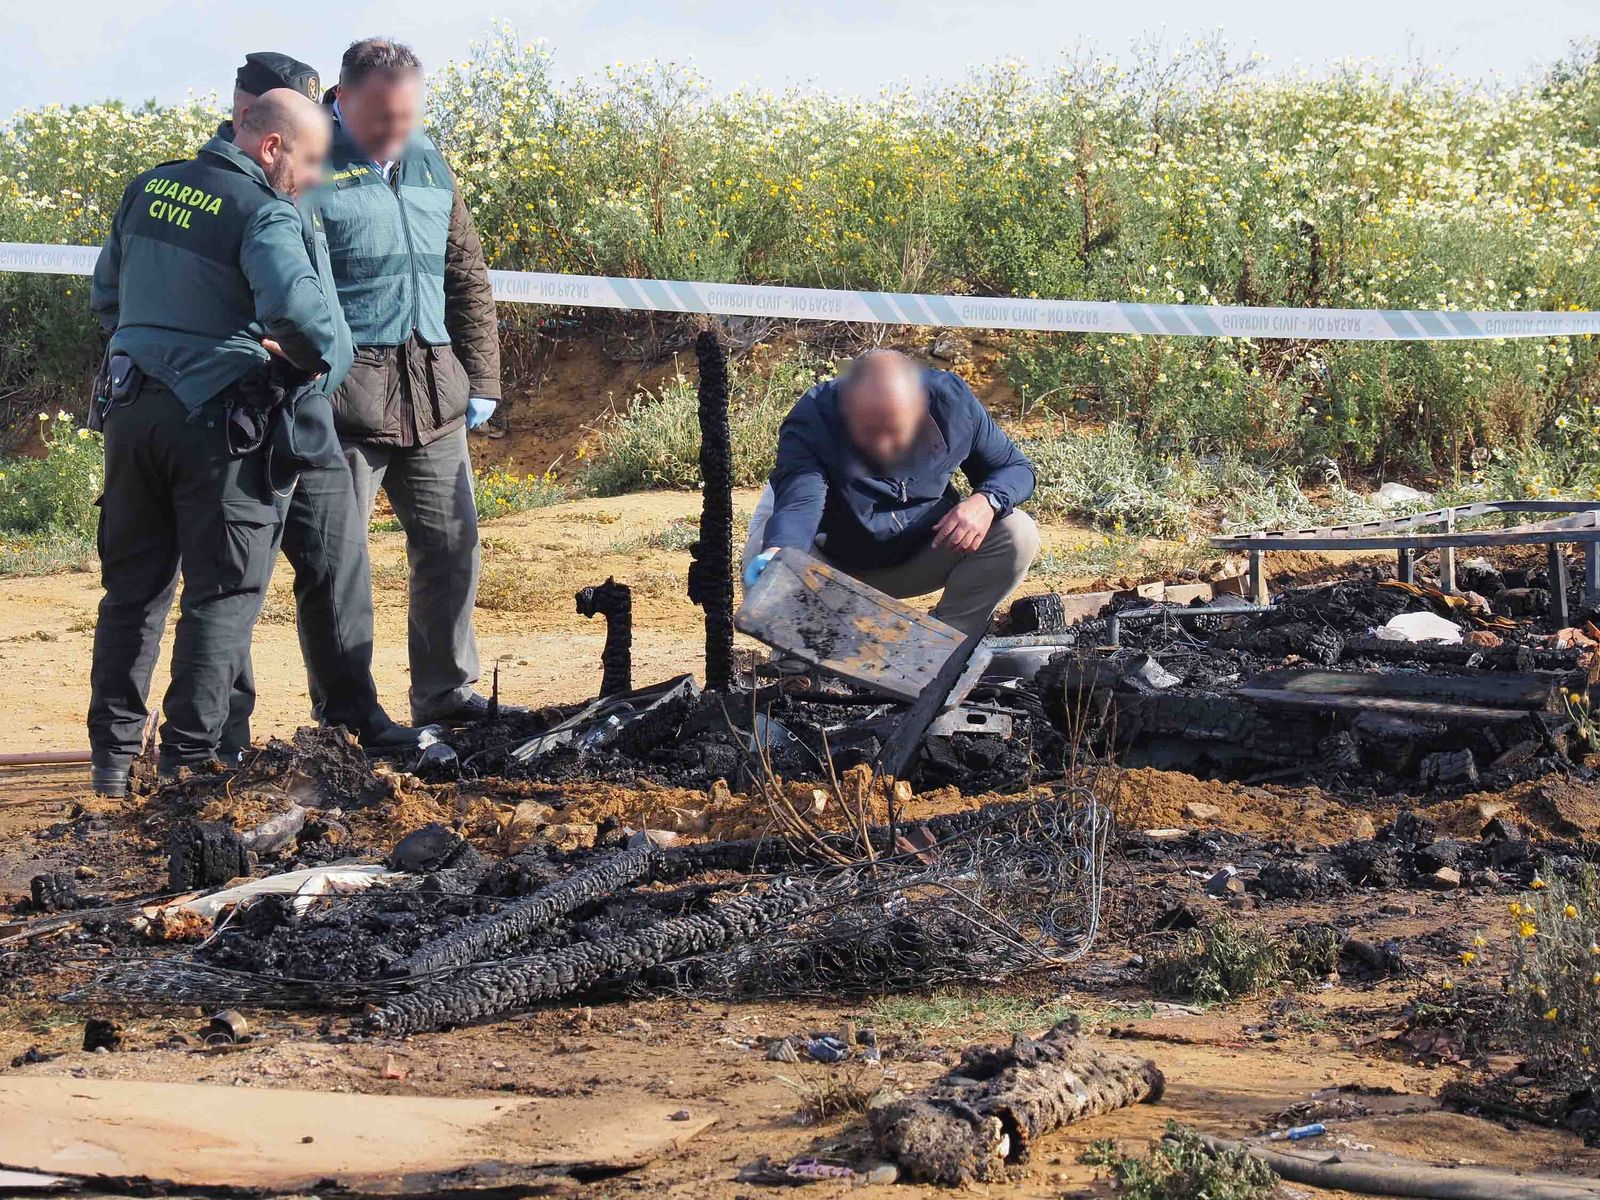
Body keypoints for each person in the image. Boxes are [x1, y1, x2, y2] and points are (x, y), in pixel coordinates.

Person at [87, 90, 346, 796]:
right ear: (271, 146)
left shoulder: (150, 187)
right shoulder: (263, 210)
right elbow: (302, 318)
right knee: (223, 593)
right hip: (218, 423)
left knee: (132, 593)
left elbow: (106, 297)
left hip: (130, 412)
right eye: (310, 161)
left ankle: (112, 766)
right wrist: (303, 362)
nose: (313, 178)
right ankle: (190, 763)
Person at [220, 51, 421, 757]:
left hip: (310, 405)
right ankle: (222, 739)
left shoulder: (297, 173)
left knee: (338, 560)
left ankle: (351, 717)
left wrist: (326, 365)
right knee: (234, 579)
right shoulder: (214, 185)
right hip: (240, 412)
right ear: (252, 114)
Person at [312, 37, 515, 725]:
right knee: (338, 564)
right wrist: (315, 379)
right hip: (345, 402)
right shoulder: (308, 164)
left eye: (406, 117)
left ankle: (445, 695)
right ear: (342, 100)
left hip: (433, 392)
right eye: (381, 119)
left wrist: (481, 377)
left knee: (453, 546)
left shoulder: (428, 160)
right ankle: (348, 716)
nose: (395, 131)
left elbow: (466, 275)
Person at [743, 349, 1039, 638]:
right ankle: (809, 655)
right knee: (770, 556)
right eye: (870, 430)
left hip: (923, 550)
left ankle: (944, 646)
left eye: (894, 429)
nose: (883, 445)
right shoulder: (815, 417)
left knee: (1017, 532)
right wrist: (779, 552)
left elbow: (1016, 468)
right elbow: (800, 503)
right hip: (835, 565)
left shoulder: (953, 403)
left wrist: (987, 500)